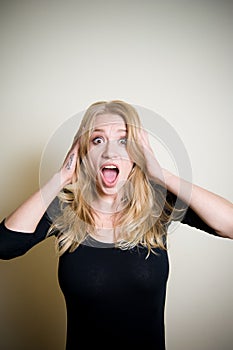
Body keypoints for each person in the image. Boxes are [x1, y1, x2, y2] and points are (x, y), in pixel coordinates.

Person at [0, 100, 232, 349]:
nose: (110, 152)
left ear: (137, 154)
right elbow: (4, 245)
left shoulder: (157, 204)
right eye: (97, 140)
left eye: (123, 141)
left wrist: (160, 174)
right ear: (83, 153)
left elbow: (229, 225)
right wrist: (61, 177)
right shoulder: (65, 210)